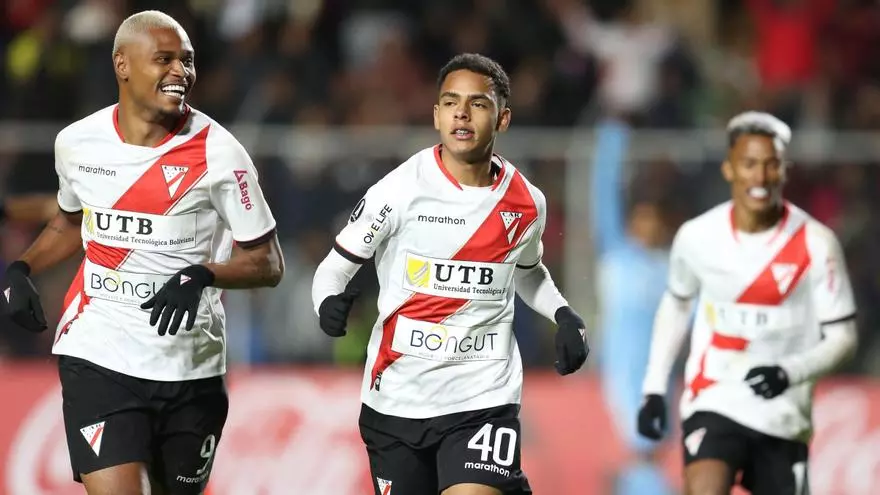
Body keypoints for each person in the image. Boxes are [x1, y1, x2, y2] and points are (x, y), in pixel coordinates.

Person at [0, 10, 283, 495]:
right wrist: (23, 266)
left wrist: (203, 275)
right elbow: (71, 221)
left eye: (187, 61)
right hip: (98, 354)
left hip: (191, 366)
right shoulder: (77, 143)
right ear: (122, 64)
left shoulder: (220, 153)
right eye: (164, 59)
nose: (180, 72)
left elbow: (268, 262)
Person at [311, 53, 589, 495]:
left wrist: (563, 314)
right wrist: (326, 303)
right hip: (397, 398)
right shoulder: (398, 190)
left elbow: (527, 271)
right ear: (437, 115)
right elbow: (333, 269)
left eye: (478, 103)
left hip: (483, 397)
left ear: (502, 119)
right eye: (451, 102)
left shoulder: (526, 201)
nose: (462, 113)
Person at [636, 111, 857, 495]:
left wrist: (789, 372)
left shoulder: (817, 243)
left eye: (771, 164)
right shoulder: (698, 237)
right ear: (729, 169)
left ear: (784, 170)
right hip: (715, 396)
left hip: (783, 414)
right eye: (749, 164)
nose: (760, 176)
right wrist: (654, 387)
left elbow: (844, 337)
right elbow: (677, 306)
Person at [590, 118, 675, 495]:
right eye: (642, 219)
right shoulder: (617, 257)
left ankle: (642, 484)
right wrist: (610, 145)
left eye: (654, 220)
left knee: (653, 445)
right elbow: (603, 201)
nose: (648, 226)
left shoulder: (669, 268)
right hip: (621, 368)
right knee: (639, 442)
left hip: (659, 369)